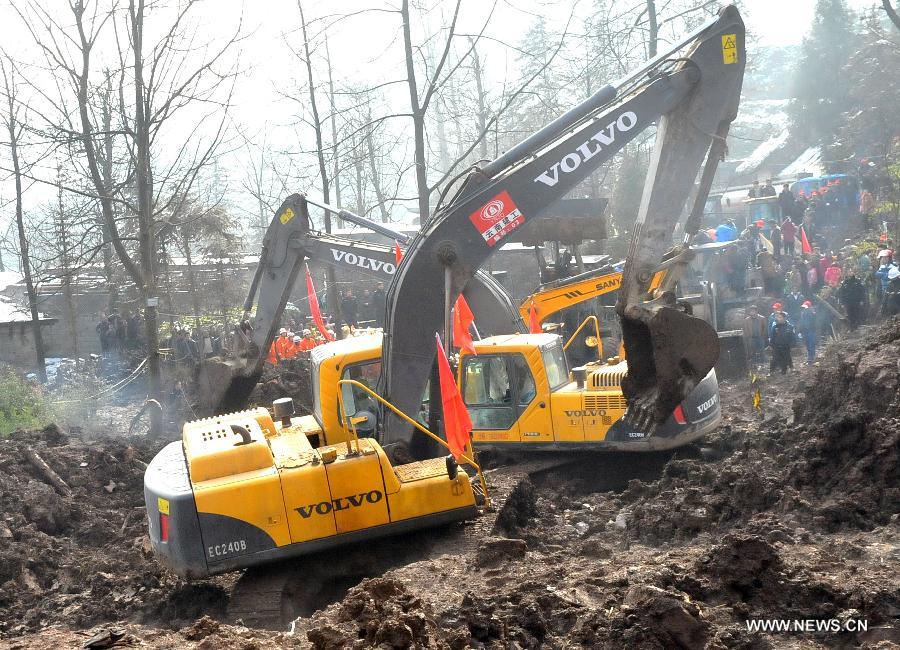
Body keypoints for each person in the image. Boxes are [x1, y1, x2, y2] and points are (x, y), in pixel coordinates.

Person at [797, 300, 817, 365]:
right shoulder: (803, 313)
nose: (804, 308)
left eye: (805, 307)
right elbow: (801, 322)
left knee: (811, 344)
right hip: (805, 331)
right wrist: (800, 331)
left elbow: (814, 321)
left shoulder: (812, 312)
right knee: (807, 344)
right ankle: (809, 357)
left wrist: (810, 311)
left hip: (811, 330)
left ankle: (811, 357)